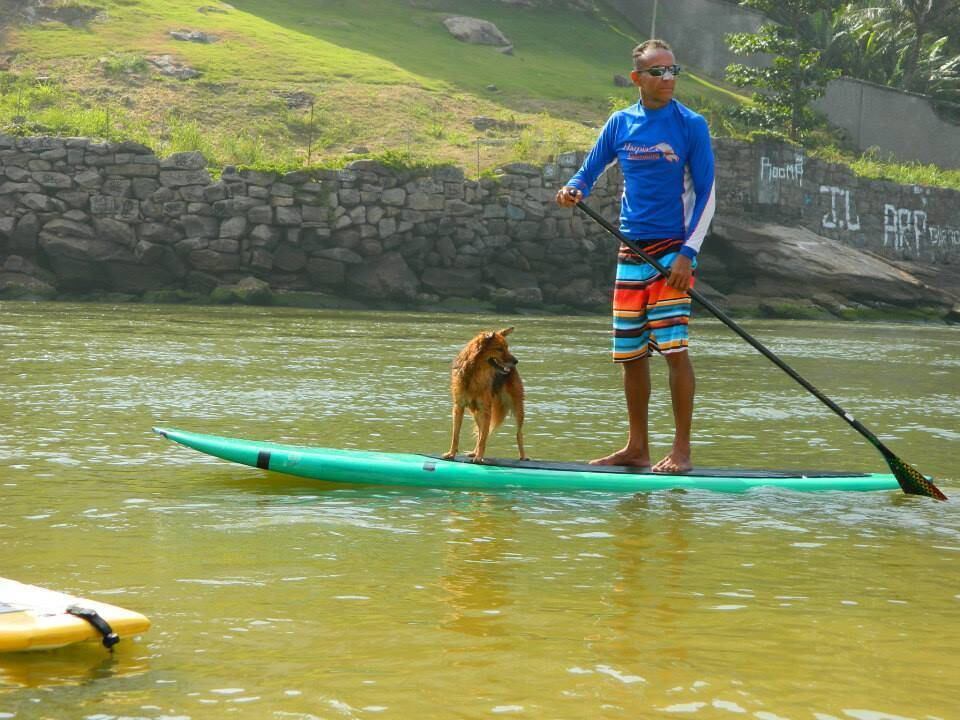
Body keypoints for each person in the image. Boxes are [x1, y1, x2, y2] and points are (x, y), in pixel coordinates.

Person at [555, 38, 715, 473]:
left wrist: (688, 254)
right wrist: (574, 190)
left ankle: (681, 450)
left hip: (672, 254)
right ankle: (637, 448)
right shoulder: (621, 123)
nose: (668, 79)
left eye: (672, 71)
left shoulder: (690, 125)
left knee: (674, 350)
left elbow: (707, 195)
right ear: (637, 79)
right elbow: (589, 170)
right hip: (631, 249)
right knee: (630, 354)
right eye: (658, 72)